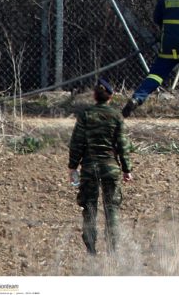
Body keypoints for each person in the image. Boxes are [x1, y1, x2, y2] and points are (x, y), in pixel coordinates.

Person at [68, 79, 133, 255]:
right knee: (111, 208)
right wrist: (127, 169)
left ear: (95, 96)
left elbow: (77, 143)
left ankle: (91, 250)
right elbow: (122, 145)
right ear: (110, 97)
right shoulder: (116, 116)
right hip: (110, 167)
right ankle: (112, 250)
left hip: (89, 168)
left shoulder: (86, 115)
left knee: (89, 207)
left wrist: (73, 166)